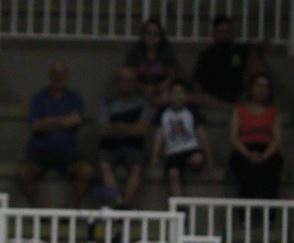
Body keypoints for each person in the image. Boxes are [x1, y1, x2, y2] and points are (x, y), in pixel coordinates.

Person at [16, 61, 94, 208]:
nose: (58, 77)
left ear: (66, 76)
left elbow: (75, 121)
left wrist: (49, 121)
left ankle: (68, 212)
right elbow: (35, 126)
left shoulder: (74, 98)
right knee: (22, 173)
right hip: (39, 152)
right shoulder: (38, 98)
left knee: (87, 172)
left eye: (62, 74)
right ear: (50, 76)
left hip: (68, 153)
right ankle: (42, 212)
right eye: (55, 74)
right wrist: (63, 121)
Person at [95, 66, 151, 209]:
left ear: (134, 83)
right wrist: (130, 128)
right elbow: (102, 131)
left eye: (129, 81)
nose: (125, 84)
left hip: (134, 147)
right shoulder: (106, 102)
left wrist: (119, 126)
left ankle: (126, 206)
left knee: (138, 164)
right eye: (122, 80)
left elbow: (142, 131)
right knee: (103, 164)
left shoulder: (142, 103)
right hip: (109, 146)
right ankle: (118, 202)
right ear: (116, 82)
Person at [150, 80, 213, 200]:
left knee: (197, 159)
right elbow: (159, 135)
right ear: (169, 95)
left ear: (186, 96)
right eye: (174, 93)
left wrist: (210, 159)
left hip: (191, 149)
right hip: (173, 152)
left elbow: (202, 134)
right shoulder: (163, 112)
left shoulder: (192, 111)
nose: (178, 96)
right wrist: (155, 157)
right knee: (173, 174)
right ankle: (179, 204)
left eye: (181, 93)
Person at [193, 15, 268, 108]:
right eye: (220, 32)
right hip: (212, 97)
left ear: (232, 33)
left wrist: (258, 50)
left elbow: (259, 57)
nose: (224, 35)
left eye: (227, 32)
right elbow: (198, 80)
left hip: (237, 95)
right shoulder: (206, 54)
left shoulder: (241, 50)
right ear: (214, 34)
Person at [229, 73, 283, 201]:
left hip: (267, 150)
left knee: (271, 176)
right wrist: (248, 155)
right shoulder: (239, 110)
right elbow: (233, 137)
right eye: (258, 86)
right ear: (252, 88)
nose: (262, 90)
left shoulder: (274, 112)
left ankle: (269, 218)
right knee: (246, 176)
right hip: (244, 150)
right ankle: (244, 216)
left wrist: (264, 156)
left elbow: (277, 139)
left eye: (265, 87)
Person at [125, 18, 180, 105]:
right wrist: (143, 89)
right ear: (143, 35)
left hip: (161, 91)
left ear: (161, 36)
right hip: (139, 90)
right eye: (148, 33)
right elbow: (129, 74)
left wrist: (156, 88)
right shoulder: (135, 51)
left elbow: (172, 76)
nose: (152, 36)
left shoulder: (167, 51)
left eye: (155, 33)